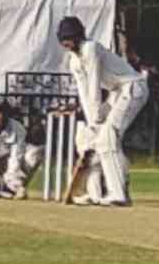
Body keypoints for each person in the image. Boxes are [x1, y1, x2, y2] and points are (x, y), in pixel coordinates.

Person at [57, 16, 149, 206]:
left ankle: (118, 195)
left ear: (78, 36)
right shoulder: (74, 61)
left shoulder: (91, 48)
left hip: (132, 88)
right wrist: (92, 123)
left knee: (108, 137)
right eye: (63, 38)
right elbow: (84, 93)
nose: (66, 42)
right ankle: (98, 192)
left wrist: (96, 120)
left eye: (69, 37)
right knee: (96, 142)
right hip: (117, 93)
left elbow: (93, 87)